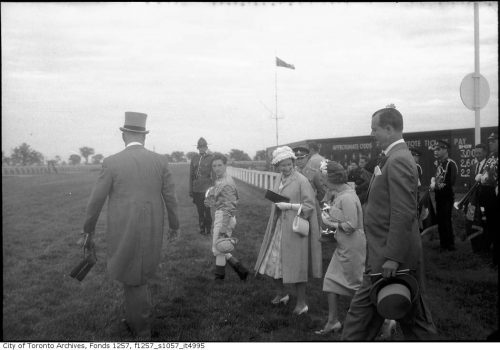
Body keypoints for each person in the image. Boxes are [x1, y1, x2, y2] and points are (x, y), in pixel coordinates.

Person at [82, 112, 180, 339]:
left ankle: (142, 331)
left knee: (135, 277)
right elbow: (171, 198)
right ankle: (135, 319)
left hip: (123, 228)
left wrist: (88, 229)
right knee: (133, 275)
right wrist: (174, 226)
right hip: (152, 227)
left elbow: (95, 200)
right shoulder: (160, 161)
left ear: (124, 135)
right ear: (144, 136)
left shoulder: (111, 162)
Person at [341, 107, 437, 340]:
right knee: (410, 321)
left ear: (389, 128)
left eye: (375, 128)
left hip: (391, 259)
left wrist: (393, 257)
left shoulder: (398, 160)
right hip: (382, 256)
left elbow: (404, 213)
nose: (372, 133)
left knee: (411, 321)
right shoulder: (394, 158)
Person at [254, 146, 322, 315]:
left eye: (288, 164)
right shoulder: (279, 179)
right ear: (277, 166)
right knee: (272, 262)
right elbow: (276, 197)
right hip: (278, 227)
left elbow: (309, 205)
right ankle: (282, 293)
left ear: (293, 162)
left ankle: (301, 303)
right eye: (282, 165)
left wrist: (289, 206)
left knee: (297, 267)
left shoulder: (301, 180)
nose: (285, 168)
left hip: (294, 228)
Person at [314, 161, 366, 335]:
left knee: (357, 287)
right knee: (330, 281)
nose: (322, 182)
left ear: (332, 178)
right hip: (344, 244)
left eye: (324, 179)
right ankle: (333, 321)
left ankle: (384, 321)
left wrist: (330, 222)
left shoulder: (347, 197)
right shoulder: (340, 193)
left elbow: (351, 225)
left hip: (352, 246)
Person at [205, 153, 249, 281]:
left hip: (225, 217)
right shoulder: (220, 179)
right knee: (219, 247)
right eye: (214, 166)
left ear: (225, 165)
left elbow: (230, 207)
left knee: (218, 249)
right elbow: (224, 201)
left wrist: (223, 228)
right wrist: (214, 202)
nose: (217, 168)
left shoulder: (227, 182)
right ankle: (240, 271)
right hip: (222, 215)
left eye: (220, 165)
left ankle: (220, 277)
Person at [430, 140, 458, 252]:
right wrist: (434, 183)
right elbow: (438, 178)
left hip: (447, 197)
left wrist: (436, 186)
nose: (435, 151)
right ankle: (443, 244)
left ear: (445, 150)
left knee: (446, 220)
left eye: (438, 149)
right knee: (440, 220)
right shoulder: (439, 163)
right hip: (439, 197)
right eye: (435, 149)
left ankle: (450, 245)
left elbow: (450, 182)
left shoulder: (450, 163)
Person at [480, 132, 498, 266]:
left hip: (496, 193)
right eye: (489, 140)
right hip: (489, 195)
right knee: (491, 225)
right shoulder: (491, 156)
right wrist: (482, 176)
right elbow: (486, 170)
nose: (490, 142)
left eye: (493, 140)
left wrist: (489, 178)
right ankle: (494, 258)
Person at [465, 144, 488, 252]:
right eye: (475, 153)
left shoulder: (489, 166)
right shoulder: (473, 166)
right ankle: (475, 246)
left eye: (479, 153)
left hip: (485, 201)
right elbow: (470, 185)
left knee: (484, 224)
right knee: (471, 222)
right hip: (473, 202)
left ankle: (484, 247)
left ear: (485, 153)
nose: (477, 155)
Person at [189, 137, 214, 235]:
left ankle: (208, 229)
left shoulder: (211, 158)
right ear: (198, 148)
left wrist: (213, 189)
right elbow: (191, 175)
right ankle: (202, 229)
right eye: (200, 147)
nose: (201, 149)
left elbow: (214, 175)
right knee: (200, 210)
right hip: (197, 188)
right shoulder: (194, 158)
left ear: (206, 147)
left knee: (207, 210)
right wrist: (190, 190)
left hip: (207, 189)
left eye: (203, 147)